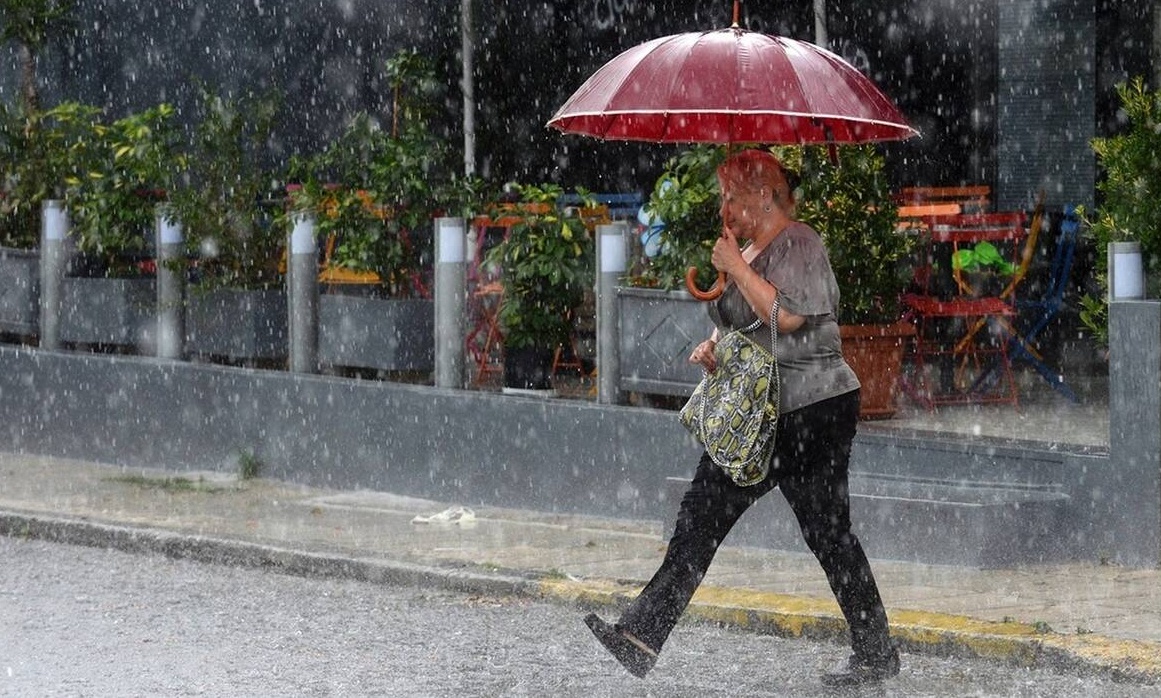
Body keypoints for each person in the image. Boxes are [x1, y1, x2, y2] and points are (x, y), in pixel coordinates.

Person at [583, 149, 899, 687]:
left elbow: (788, 316)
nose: (724, 206)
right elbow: (746, 327)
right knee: (821, 532)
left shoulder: (801, 242)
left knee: (720, 515)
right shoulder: (747, 249)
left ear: (765, 196)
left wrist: (735, 269)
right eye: (722, 195)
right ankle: (875, 651)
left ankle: (643, 633)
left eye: (732, 195)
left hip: (808, 409)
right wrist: (713, 347)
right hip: (767, 408)